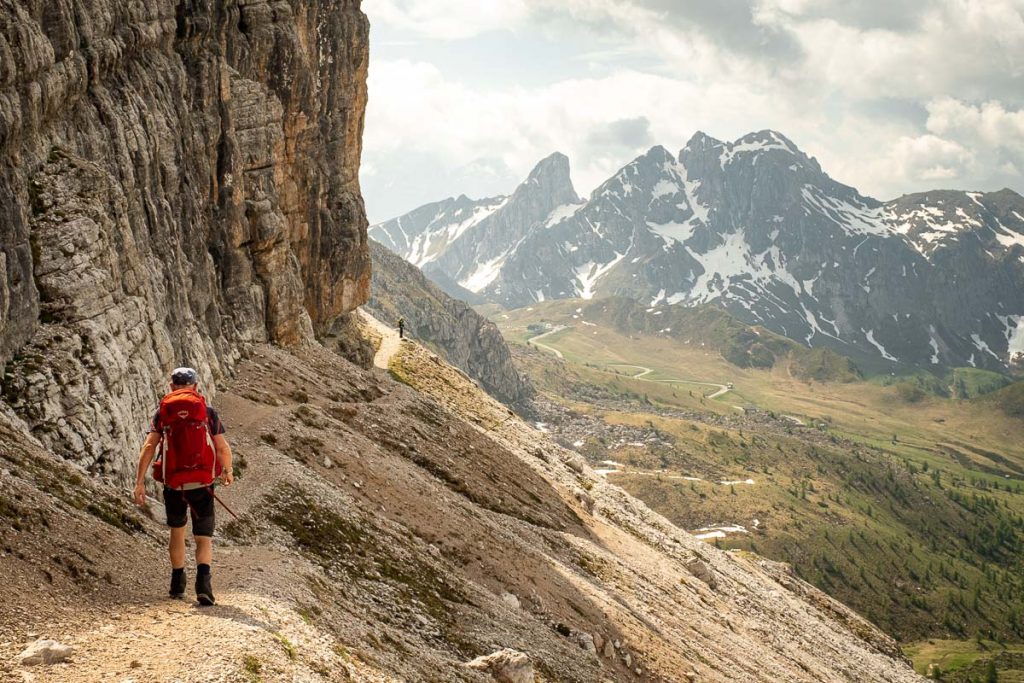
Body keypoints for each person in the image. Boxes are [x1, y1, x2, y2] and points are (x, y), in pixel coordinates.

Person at [132, 367, 234, 605]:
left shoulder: (163, 412)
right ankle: (204, 586)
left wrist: (139, 482)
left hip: (174, 484)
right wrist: (228, 471)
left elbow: (149, 447)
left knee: (177, 532)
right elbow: (222, 447)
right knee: (203, 537)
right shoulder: (207, 411)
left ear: (171, 387)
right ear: (196, 386)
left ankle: (177, 585)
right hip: (203, 483)